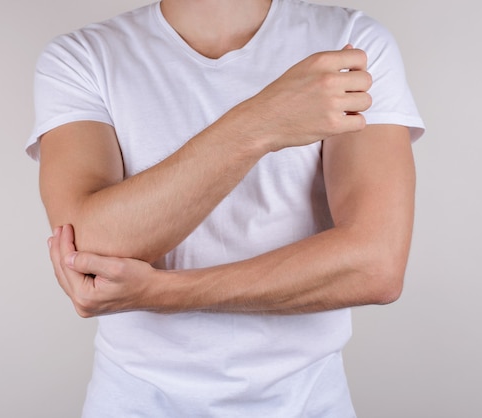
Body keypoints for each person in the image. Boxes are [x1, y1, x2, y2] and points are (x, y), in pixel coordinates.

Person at [27, 0, 424, 416]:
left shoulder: (350, 43)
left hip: (307, 401)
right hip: (137, 400)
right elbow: (91, 248)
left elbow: (374, 265)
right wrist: (260, 121)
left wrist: (163, 292)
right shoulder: (82, 57)